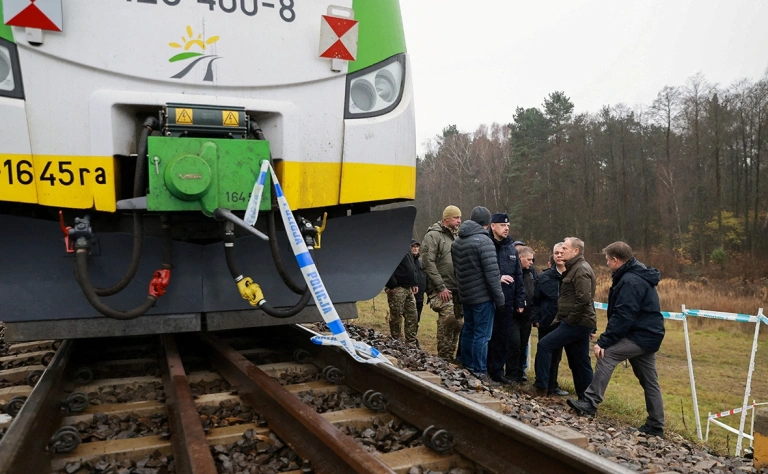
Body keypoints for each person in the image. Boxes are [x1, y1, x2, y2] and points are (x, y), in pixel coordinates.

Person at [567, 242, 665, 437]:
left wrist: (604, 341)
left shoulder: (630, 280)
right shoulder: (635, 275)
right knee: (650, 381)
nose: (607, 263)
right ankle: (656, 425)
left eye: (607, 260)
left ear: (615, 260)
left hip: (641, 335)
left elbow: (624, 315)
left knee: (607, 354)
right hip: (648, 334)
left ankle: (590, 402)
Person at [533, 237, 596, 398]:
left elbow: (584, 299)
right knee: (579, 361)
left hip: (577, 322)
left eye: (565, 249)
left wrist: (569, 320)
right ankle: (586, 399)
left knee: (545, 345)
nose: (562, 252)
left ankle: (541, 388)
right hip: (578, 321)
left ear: (575, 251)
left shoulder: (580, 269)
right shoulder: (574, 268)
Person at [452, 206, 504, 383]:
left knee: (469, 330)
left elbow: (457, 271)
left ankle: (466, 365)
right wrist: (500, 299)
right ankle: (480, 371)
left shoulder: (457, 242)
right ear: (488, 223)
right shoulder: (484, 242)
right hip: (483, 297)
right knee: (482, 335)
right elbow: (492, 274)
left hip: (466, 295)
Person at [486, 213, 525, 384]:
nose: (506, 228)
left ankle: (497, 371)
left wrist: (520, 300)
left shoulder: (511, 248)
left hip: (507, 301)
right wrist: (497, 278)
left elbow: (518, 275)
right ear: (492, 226)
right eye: (502, 225)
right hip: (488, 299)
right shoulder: (486, 244)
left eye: (508, 225)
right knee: (487, 335)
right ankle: (482, 368)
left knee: (503, 337)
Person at [422, 205, 463, 360]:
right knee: (448, 320)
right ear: (446, 219)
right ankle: (444, 358)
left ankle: (450, 358)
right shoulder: (433, 236)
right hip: (441, 288)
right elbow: (428, 263)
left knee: (458, 324)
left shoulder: (458, 236)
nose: (459, 221)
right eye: (456, 218)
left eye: (460, 217)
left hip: (457, 288)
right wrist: (440, 287)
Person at [531, 245, 569, 396]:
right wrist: (536, 319)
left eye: (562, 253)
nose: (559, 256)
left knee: (557, 356)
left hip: (566, 322)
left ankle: (552, 386)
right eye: (556, 253)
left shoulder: (573, 275)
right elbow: (535, 300)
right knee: (544, 353)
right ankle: (541, 385)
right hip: (547, 321)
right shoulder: (544, 277)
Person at [506, 246, 535, 383]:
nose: (531, 262)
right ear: (520, 258)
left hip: (527, 316)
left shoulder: (530, 273)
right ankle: (510, 373)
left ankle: (520, 372)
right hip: (513, 315)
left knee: (523, 345)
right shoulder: (511, 273)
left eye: (532, 260)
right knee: (514, 344)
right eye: (528, 259)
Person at [384, 248, 419, 346]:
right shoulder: (391, 245)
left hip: (408, 287)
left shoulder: (406, 244)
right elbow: (386, 264)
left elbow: (412, 264)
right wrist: (391, 284)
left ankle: (411, 342)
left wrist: (415, 282)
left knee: (412, 315)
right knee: (396, 316)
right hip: (397, 287)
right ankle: (397, 342)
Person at [411, 239, 428, 323]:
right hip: (408, 294)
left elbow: (426, 277)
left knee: (417, 317)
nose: (415, 249)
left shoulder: (421, 262)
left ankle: (414, 334)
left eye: (417, 247)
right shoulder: (406, 261)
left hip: (420, 295)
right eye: (413, 247)